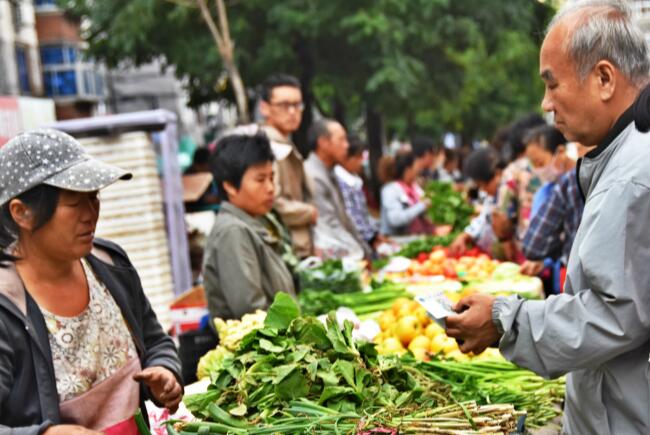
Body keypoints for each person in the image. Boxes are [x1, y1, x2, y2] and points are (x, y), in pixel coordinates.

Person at [445, 2, 650, 433]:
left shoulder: (633, 177)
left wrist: (506, 321)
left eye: (552, 84)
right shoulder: (621, 161)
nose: (545, 103)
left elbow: (615, 316)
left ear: (605, 78)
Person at [0, 129, 182, 434]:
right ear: (22, 213)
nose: (91, 213)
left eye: (94, 197)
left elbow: (154, 339)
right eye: (74, 203)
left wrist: (165, 369)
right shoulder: (7, 308)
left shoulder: (111, 265)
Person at [202, 134, 296, 321]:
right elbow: (251, 311)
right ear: (229, 186)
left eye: (271, 177)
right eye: (260, 180)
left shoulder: (252, 222)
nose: (270, 188)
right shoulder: (233, 232)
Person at [260, 74, 317, 258]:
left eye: (297, 105)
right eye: (284, 105)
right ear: (265, 108)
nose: (292, 111)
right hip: (285, 249)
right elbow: (270, 200)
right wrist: (308, 212)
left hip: (296, 246)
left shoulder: (284, 143)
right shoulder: (267, 146)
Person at [304, 119, 372, 259]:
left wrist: (365, 250)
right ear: (323, 143)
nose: (346, 146)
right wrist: (359, 252)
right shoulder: (313, 175)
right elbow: (330, 224)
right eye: (341, 140)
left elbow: (345, 218)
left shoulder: (330, 172)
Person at [448, 148, 504, 258]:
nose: (483, 190)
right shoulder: (491, 197)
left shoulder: (507, 196)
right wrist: (465, 235)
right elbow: (484, 217)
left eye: (483, 185)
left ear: (497, 174)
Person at [334, 137, 381, 247]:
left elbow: (363, 214)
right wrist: (372, 239)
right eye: (359, 157)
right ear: (346, 158)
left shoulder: (354, 180)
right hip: (356, 244)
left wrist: (376, 233)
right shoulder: (341, 184)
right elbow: (352, 219)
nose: (362, 162)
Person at [379, 151, 434, 236]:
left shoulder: (414, 187)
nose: (419, 170)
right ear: (408, 170)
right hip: (395, 242)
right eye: (416, 166)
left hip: (415, 237)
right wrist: (422, 206)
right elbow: (395, 219)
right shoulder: (390, 190)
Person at [522, 125, 570, 217]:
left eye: (540, 163)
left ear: (560, 152)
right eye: (533, 165)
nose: (537, 170)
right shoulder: (544, 192)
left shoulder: (580, 183)